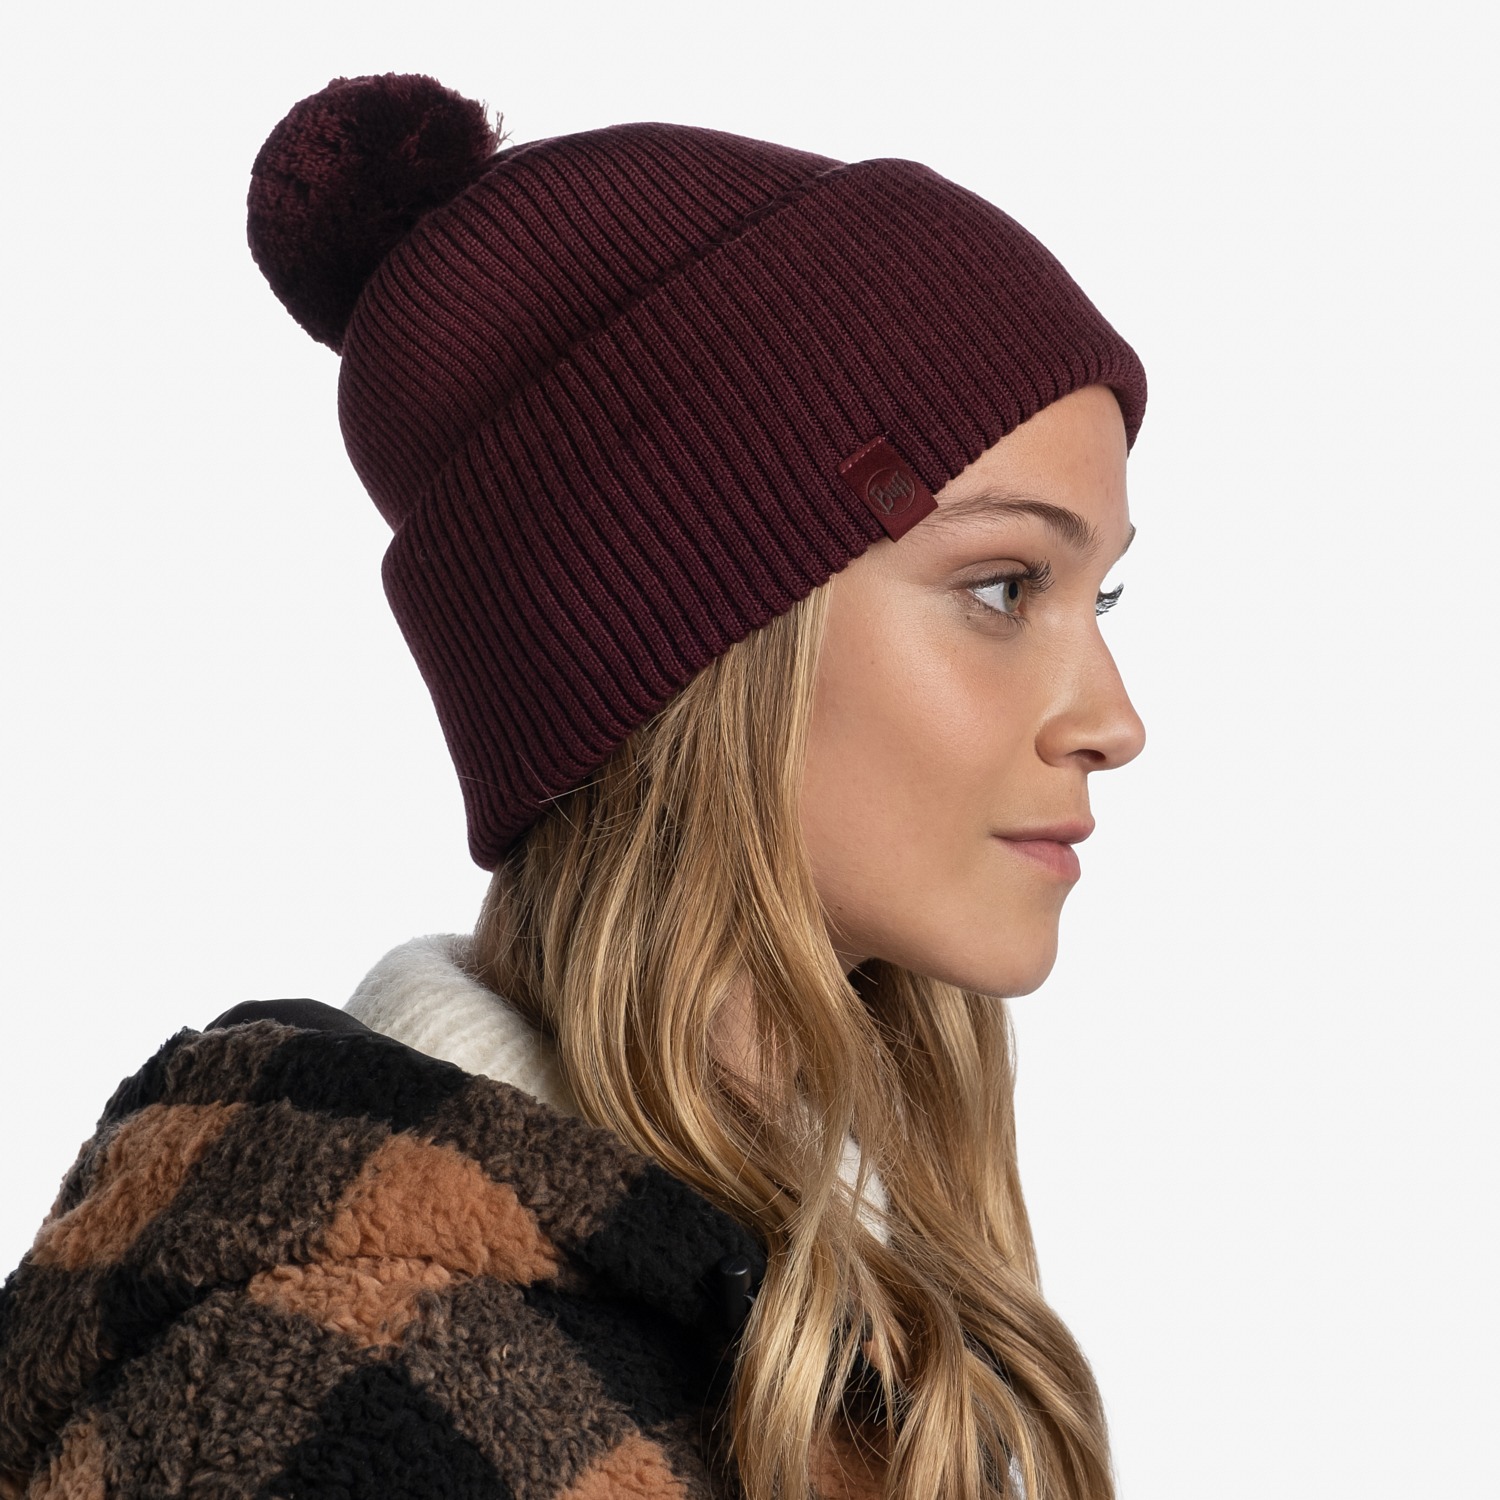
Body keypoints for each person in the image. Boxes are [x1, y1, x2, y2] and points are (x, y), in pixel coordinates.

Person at [0, 72, 1146, 1500]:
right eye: (1003, 585)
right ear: (703, 648)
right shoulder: (344, 1400)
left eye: (1107, 596)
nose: (1114, 721)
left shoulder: (790, 1322)